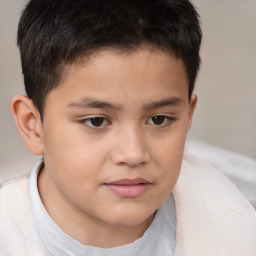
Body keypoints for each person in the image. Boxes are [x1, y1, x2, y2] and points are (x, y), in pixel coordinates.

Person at [0, 0, 255, 255]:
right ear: (32, 126)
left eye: (159, 119)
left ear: (188, 116)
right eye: (96, 121)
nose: (133, 154)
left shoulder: (235, 233)